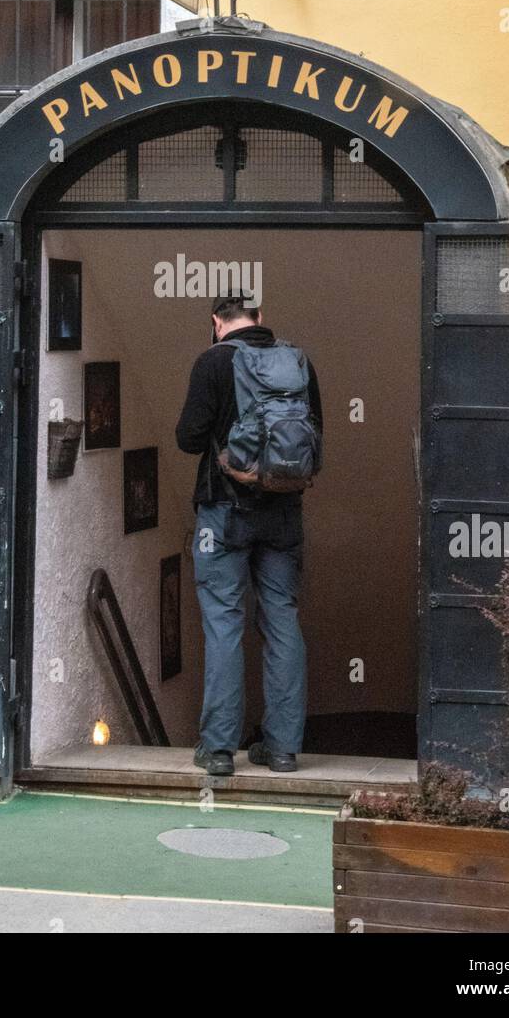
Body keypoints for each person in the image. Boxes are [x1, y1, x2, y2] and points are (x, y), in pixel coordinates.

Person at [175, 295, 323, 777]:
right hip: (283, 513)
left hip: (225, 511)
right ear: (259, 319)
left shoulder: (213, 362)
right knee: (282, 620)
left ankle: (218, 750)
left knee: (224, 623)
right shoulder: (297, 362)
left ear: (217, 324)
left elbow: (188, 438)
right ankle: (282, 749)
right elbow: (316, 433)